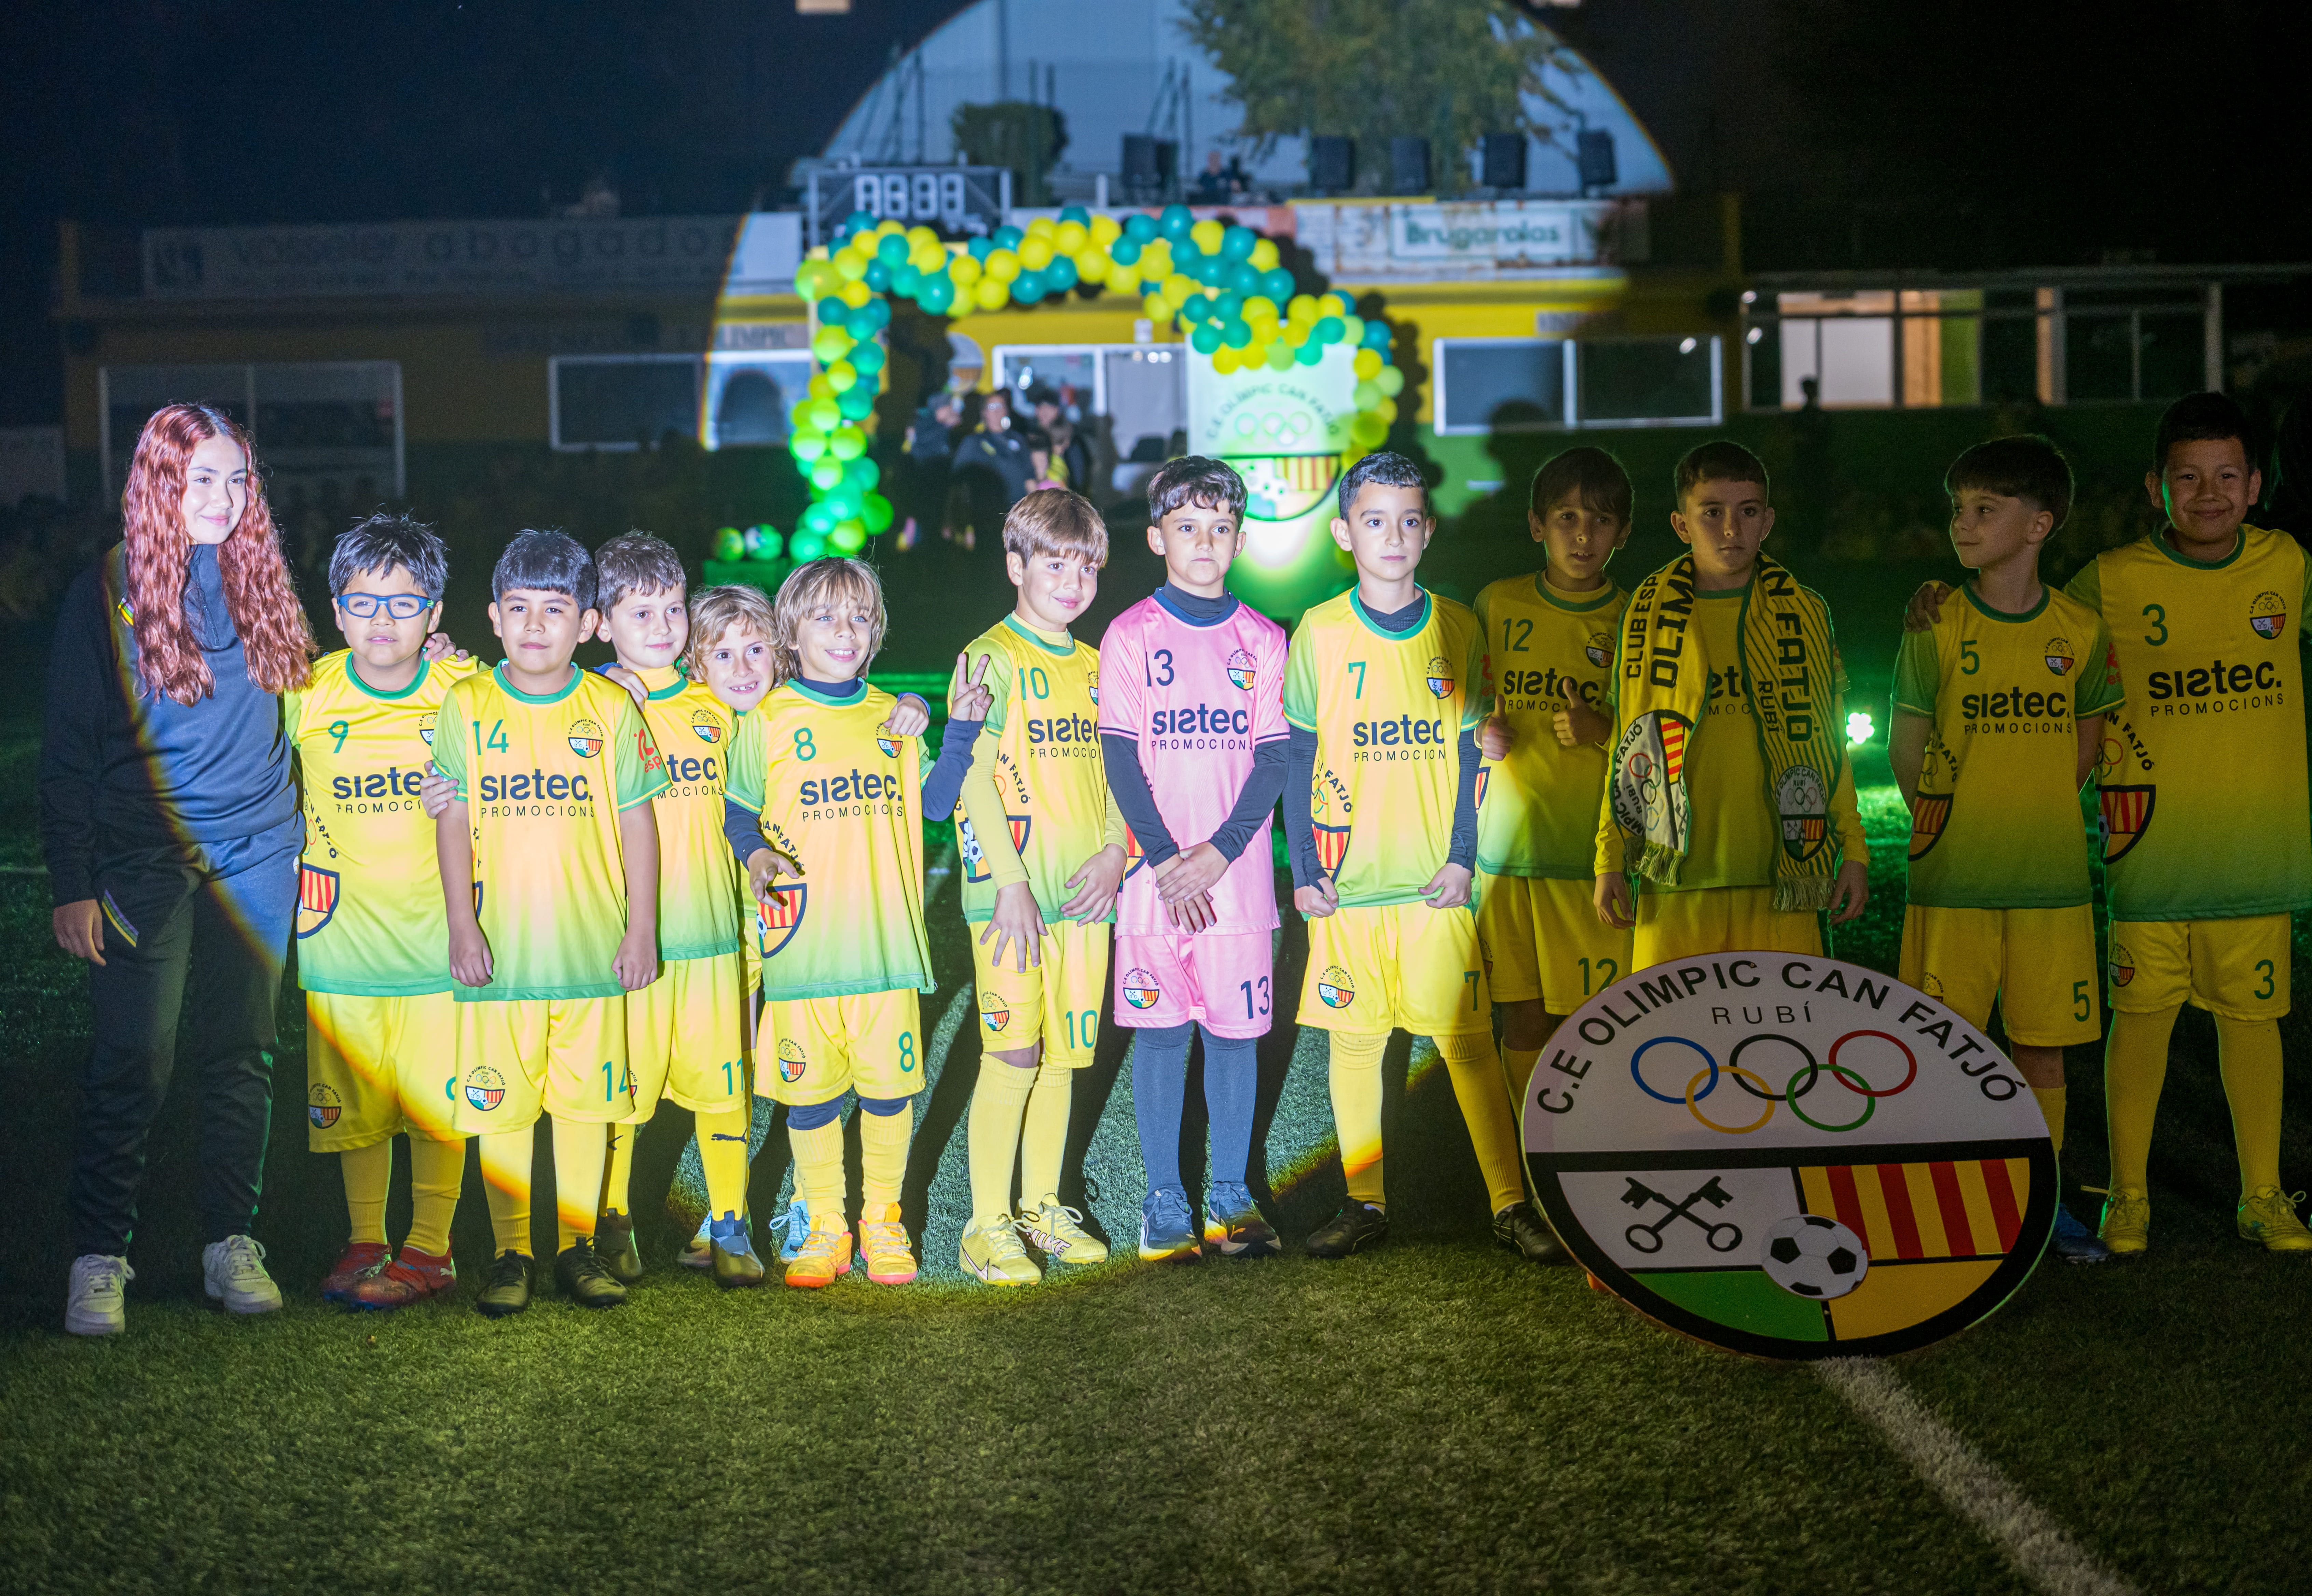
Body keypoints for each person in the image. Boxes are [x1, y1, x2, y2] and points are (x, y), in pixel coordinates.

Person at [1911, 392, 2312, 1254]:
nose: (2205, 493)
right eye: (2185, 478)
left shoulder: (2287, 566)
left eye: (2224, 477)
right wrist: (1936, 604)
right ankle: (2125, 1194)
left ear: (2252, 489)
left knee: (2251, 1024)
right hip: (2147, 853)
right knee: (2142, 1023)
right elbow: (2021, 616)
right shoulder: (2109, 580)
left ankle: (2261, 1193)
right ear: (2153, 488)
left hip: (2254, 854)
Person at [42, 403, 318, 1336]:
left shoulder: (262, 575)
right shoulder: (108, 591)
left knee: (243, 1052)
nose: (225, 497)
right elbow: (69, 748)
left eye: (239, 478)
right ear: (159, 480)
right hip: (143, 855)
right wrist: (72, 881)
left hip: (260, 848)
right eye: (203, 477)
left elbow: (319, 697)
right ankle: (98, 1254)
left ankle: (229, 1243)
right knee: (136, 1058)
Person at [1281, 452, 1553, 1261]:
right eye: (1373, 520)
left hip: (1437, 885)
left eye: (1406, 520)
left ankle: (1511, 1204)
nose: (1391, 535)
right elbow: (1296, 757)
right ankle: (1362, 1203)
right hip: (1348, 889)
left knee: (1465, 1044)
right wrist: (1303, 868)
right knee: (1355, 1046)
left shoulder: (1458, 625)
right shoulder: (1319, 632)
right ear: (1342, 532)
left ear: (1426, 531)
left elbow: (1475, 753)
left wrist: (1462, 860)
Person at [1888, 438, 2122, 1264]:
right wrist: (1954, 817)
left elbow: (2086, 742)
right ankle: (1943, 1196)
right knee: (1942, 1044)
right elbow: (1906, 745)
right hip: (1950, 880)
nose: (1962, 524)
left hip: (2049, 882)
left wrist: (2028, 807)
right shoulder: (1934, 619)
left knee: (2040, 1047)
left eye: (1983, 510)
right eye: (1958, 510)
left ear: (2037, 524)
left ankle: (2041, 1197)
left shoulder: (2080, 631)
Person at [720, 558, 985, 1288]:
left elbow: (934, 805)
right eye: (826, 617)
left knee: (888, 1093)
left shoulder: (893, 718)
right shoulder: (767, 719)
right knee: (809, 1098)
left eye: (861, 618)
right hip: (803, 952)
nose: (845, 630)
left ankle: (883, 1220)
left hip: (884, 952)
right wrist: (759, 854)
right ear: (791, 633)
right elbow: (739, 810)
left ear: (876, 635)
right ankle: (825, 1225)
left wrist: (956, 725)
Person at [432, 530, 668, 1315]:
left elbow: (639, 823)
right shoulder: (466, 705)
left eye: (555, 610)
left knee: (582, 1104)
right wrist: (464, 927)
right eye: (520, 609)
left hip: (592, 951)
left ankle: (573, 1246)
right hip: (500, 953)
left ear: (587, 622)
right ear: (494, 618)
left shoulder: (608, 707)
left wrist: (641, 931)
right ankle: (508, 1252)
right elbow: (452, 820)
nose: (536, 626)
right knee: (502, 1104)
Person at [1097, 458, 1291, 1262]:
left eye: (1219, 528)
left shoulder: (1263, 638)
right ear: (1155, 538)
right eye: (1186, 527)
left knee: (1235, 1039)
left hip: (1234, 885)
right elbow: (1119, 759)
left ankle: (1230, 1196)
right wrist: (1164, 857)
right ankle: (1164, 1200)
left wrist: (1217, 852)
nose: (1204, 541)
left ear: (1239, 540)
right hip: (1153, 886)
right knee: (1162, 1036)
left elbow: (1274, 760)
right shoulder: (1130, 635)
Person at [286, 513, 479, 1309]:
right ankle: (365, 1238)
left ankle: (430, 1248)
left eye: (405, 605)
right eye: (363, 604)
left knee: (439, 1104)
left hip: (441, 942)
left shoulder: (465, 694)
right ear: (336, 609)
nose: (382, 623)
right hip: (341, 941)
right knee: (355, 1105)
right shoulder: (307, 691)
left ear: (435, 614)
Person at [1593, 442, 1870, 967]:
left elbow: (1829, 744)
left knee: (1785, 1044)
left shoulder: (1807, 612)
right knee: (1674, 1046)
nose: (1730, 530)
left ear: (1767, 522)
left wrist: (1853, 849)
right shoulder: (1645, 615)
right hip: (1675, 878)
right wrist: (1609, 860)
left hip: (1783, 875)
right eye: (1712, 513)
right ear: (1681, 524)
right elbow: (1628, 745)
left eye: (1747, 513)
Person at [953, 489, 1130, 1284]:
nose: (1071, 580)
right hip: (1011, 899)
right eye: (1053, 562)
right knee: (1012, 1051)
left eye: (1085, 565)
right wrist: (1012, 881)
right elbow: (970, 779)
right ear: (1014, 563)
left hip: (1083, 897)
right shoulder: (988, 656)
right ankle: (984, 1223)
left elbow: (1121, 775)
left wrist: (1115, 853)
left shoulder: (1099, 668)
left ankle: (1041, 1206)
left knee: (1063, 1054)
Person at [583, 534, 760, 1287]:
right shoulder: (591, 701)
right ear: (602, 622)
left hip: (715, 937)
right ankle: (614, 1218)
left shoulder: (716, 703)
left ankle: (730, 1223)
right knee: (626, 1092)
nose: (661, 625)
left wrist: (911, 702)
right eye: (640, 611)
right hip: (631, 943)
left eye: (672, 608)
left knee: (725, 1090)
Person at [1471, 448, 1634, 1170]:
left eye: (1599, 521)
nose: (1582, 536)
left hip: (1591, 860)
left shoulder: (1637, 616)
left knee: (1595, 1019)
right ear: (1537, 525)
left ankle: (1599, 1154)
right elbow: (1470, 705)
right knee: (1524, 1014)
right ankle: (1544, 1157)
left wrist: (1603, 733)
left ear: (1623, 533)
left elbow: (1661, 735)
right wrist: (1482, 730)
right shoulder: (1497, 603)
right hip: (1506, 857)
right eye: (1567, 517)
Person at [951, 390, 1038, 547]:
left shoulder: (1017, 440)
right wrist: (965, 524)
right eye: (992, 407)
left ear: (1007, 410)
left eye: (1001, 406)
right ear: (984, 413)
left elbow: (1030, 480)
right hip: (986, 520)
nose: (997, 411)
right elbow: (958, 486)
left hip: (1017, 519)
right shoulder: (973, 443)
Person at [1026, 384, 1092, 494]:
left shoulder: (1071, 438)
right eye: (1041, 407)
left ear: (1058, 410)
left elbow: (1079, 475)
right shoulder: (1030, 437)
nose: (1045, 412)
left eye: (1050, 407)